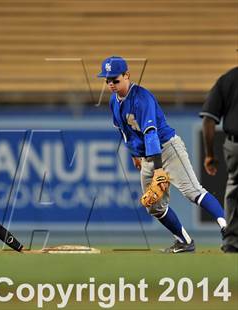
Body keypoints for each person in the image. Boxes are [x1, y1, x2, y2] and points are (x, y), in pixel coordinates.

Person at [97, 56, 227, 253]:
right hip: (147, 157)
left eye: (115, 79)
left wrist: (158, 168)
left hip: (167, 148)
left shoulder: (142, 98)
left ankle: (228, 229)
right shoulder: (114, 102)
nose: (111, 84)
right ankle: (184, 241)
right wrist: (135, 154)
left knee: (193, 191)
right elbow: (124, 131)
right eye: (107, 80)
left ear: (127, 76)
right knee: (153, 205)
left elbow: (151, 133)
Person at [200, 67, 238, 253]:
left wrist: (209, 154)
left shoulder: (227, 80)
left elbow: (208, 118)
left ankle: (232, 241)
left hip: (235, 144)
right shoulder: (227, 79)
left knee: (234, 188)